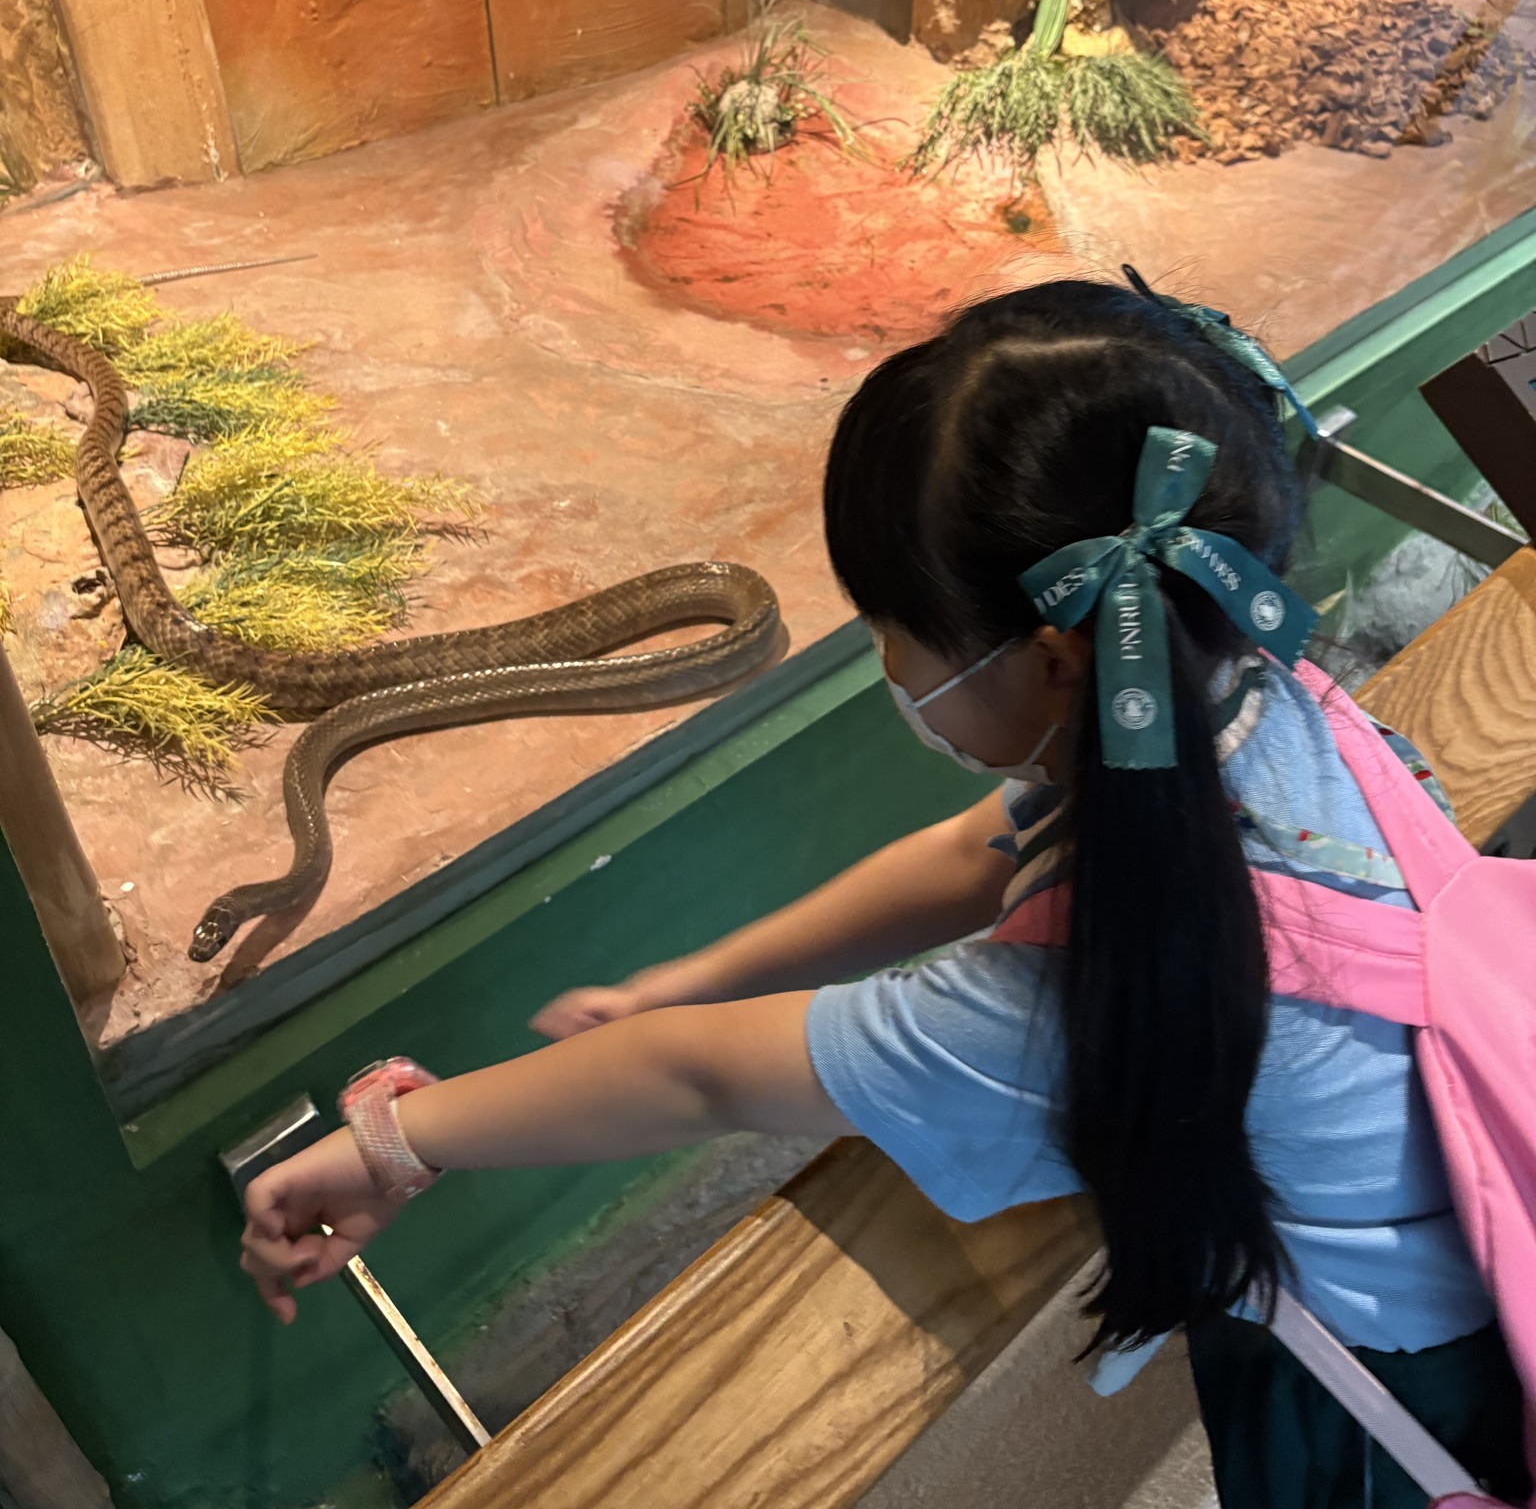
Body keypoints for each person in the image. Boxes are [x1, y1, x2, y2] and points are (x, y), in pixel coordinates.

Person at [240, 279, 1529, 1509]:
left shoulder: (1055, 1004)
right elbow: (980, 853)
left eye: (893, 637)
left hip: (1406, 1408)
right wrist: (702, 973)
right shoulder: (1256, 704)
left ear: (1054, 662)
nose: (889, 669)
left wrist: (393, 1142)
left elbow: (697, 1080)